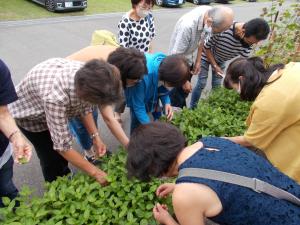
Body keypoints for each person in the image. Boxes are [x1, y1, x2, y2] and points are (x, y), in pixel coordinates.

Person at [126, 122, 300, 225]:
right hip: (292, 199)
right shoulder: (211, 141)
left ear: (155, 168)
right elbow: (227, 173)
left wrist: (166, 220)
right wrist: (179, 185)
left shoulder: (184, 196)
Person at [8, 58, 122, 185]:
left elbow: (84, 108)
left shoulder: (89, 77)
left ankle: (64, 176)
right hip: (32, 117)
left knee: (61, 153)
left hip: (48, 104)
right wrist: (97, 173)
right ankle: (57, 187)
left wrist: (95, 138)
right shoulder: (56, 98)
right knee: (51, 158)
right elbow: (63, 147)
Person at [224, 57, 300, 182]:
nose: (238, 92)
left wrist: (219, 140)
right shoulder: (289, 68)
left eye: (235, 88)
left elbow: (252, 141)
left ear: (241, 80)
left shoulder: (270, 101)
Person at [66, 45, 146, 149]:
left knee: (91, 118)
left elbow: (109, 118)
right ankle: (89, 151)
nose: (136, 83)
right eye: (134, 80)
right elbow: (108, 118)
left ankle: (93, 144)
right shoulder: (103, 76)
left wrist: (128, 145)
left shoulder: (121, 61)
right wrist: (128, 145)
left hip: (89, 80)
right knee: (82, 124)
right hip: (74, 84)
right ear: (121, 76)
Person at [190, 18, 270, 109]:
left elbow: (243, 61)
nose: (252, 44)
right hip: (207, 55)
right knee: (201, 83)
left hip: (221, 60)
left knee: (216, 85)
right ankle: (192, 108)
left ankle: (213, 108)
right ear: (243, 31)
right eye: (250, 42)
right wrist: (215, 65)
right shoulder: (224, 29)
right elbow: (206, 46)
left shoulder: (250, 40)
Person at [107, 47, 191, 132]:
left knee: (155, 113)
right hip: (140, 98)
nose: (171, 88)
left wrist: (167, 102)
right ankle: (135, 139)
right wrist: (149, 127)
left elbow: (163, 87)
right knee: (137, 123)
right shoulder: (140, 78)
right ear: (167, 79)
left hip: (152, 96)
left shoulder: (165, 67)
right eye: (172, 85)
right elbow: (138, 107)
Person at [168, 6, 234, 108]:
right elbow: (175, 57)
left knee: (183, 93)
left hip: (188, 59)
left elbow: (202, 39)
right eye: (218, 31)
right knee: (176, 95)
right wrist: (183, 81)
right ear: (210, 22)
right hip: (176, 65)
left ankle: (179, 108)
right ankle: (171, 115)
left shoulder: (209, 12)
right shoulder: (187, 26)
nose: (219, 34)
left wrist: (198, 61)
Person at [0, 59, 32, 207]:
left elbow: (2, 113)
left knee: (6, 187)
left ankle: (19, 216)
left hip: (2, 154)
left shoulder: (0, 68)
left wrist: (16, 136)